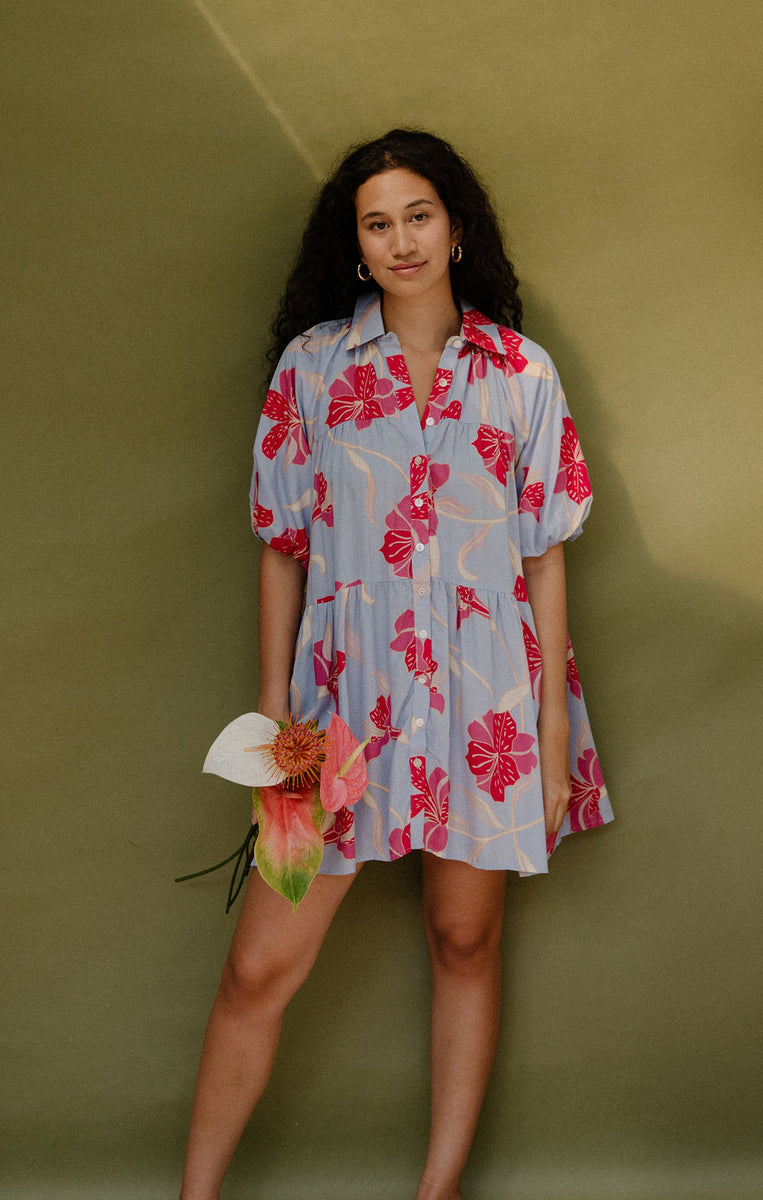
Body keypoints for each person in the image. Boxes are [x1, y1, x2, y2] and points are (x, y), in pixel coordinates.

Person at [179, 128, 612, 1200]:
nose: (400, 239)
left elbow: (543, 557)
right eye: (377, 223)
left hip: (491, 710)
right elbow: (281, 550)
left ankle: (436, 1192)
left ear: (456, 229)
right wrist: (275, 724)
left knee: (463, 941)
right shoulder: (312, 368)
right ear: (356, 245)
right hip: (331, 716)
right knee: (256, 969)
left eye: (418, 215)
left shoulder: (520, 372)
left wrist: (553, 743)